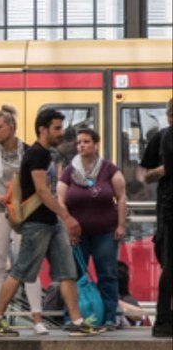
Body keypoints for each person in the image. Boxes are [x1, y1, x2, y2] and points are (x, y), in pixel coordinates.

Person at [0, 109, 101, 337]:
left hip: (50, 222)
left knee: (67, 271)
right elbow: (42, 190)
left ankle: (76, 322)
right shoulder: (37, 154)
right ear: (43, 129)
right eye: (57, 128)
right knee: (21, 271)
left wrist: (60, 218)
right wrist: (66, 216)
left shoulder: (46, 154)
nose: (62, 132)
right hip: (37, 223)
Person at [0, 105, 45, 327]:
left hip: (24, 213)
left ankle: (37, 317)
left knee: (28, 263)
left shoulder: (29, 151)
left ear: (12, 127)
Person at [57, 128, 126, 329]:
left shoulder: (109, 170)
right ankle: (73, 316)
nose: (82, 145)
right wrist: (67, 224)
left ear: (96, 144)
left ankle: (110, 317)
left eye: (86, 141)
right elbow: (60, 200)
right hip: (77, 235)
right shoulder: (70, 171)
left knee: (107, 274)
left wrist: (121, 225)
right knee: (75, 275)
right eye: (79, 142)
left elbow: (121, 197)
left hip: (105, 232)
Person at [139, 98, 173, 338]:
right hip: (169, 212)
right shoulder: (160, 139)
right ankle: (162, 320)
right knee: (169, 267)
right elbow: (144, 176)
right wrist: (164, 170)